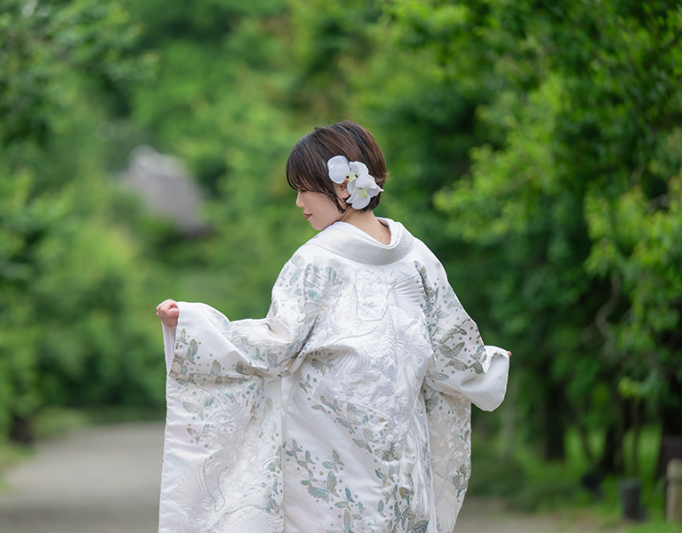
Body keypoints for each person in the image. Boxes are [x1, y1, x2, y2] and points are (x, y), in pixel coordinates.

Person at [155, 121, 510, 533]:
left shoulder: (316, 261)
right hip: (400, 458)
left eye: (305, 189)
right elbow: (452, 351)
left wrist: (194, 326)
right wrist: (489, 365)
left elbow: (274, 344)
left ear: (343, 186)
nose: (299, 202)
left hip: (330, 460)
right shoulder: (418, 259)